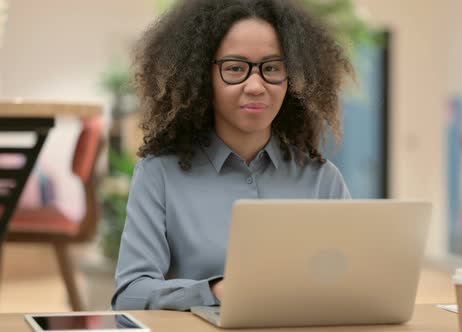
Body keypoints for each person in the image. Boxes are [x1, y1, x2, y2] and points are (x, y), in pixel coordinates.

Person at [111, 0, 353, 311]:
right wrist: (214, 291)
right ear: (202, 77)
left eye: (272, 68)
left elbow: (350, 282)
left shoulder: (321, 179)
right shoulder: (159, 174)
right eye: (235, 68)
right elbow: (130, 294)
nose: (255, 86)